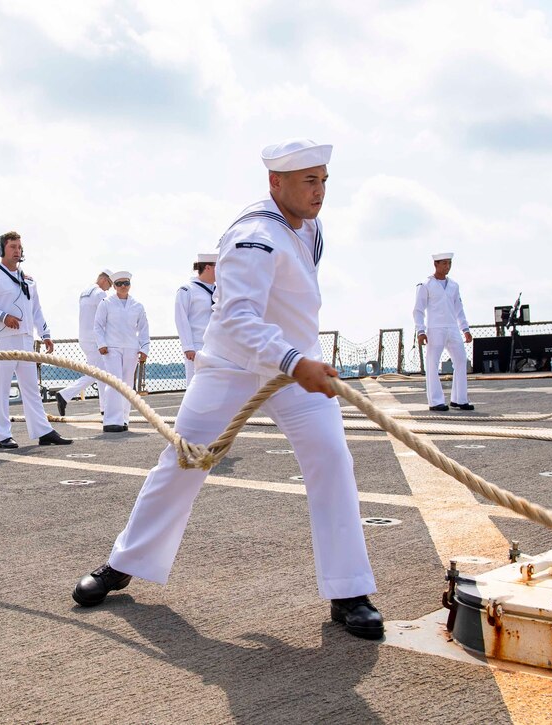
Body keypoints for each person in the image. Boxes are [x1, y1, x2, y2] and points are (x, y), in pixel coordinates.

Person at [71, 139, 385, 640]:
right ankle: (123, 563)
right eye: (310, 181)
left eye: (324, 180)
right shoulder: (253, 237)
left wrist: (296, 359)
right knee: (183, 461)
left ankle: (348, 591)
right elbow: (238, 318)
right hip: (235, 365)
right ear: (274, 183)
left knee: (332, 457)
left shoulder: (310, 226)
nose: (320, 191)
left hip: (293, 364)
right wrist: (294, 360)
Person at [0, 231, 71, 449]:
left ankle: (43, 431)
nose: (17, 251)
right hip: (3, 341)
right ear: (1, 250)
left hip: (26, 340)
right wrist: (3, 317)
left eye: (19, 247)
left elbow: (36, 310)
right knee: (2, 389)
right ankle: (2, 435)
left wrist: (45, 334)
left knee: (32, 389)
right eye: (12, 247)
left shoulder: (29, 279)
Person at [413, 253, 473, 411]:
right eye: (444, 263)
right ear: (436, 264)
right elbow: (418, 310)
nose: (447, 266)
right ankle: (435, 401)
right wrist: (420, 331)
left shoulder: (454, 285)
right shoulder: (425, 285)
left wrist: (465, 329)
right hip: (435, 328)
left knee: (461, 360)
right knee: (432, 364)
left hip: (452, 328)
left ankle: (460, 399)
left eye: (449, 263)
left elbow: (459, 309)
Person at [94, 271, 149, 433]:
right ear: (114, 286)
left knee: (127, 384)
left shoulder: (138, 305)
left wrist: (144, 348)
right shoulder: (106, 303)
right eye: (119, 284)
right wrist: (101, 343)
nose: (123, 286)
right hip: (111, 348)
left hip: (131, 348)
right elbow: (98, 325)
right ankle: (111, 420)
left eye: (126, 283)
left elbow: (144, 328)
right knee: (114, 382)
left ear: (130, 285)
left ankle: (124, 419)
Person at [55, 269, 112, 416]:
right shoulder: (100, 293)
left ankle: (104, 408)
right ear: (105, 280)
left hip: (84, 337)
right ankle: (66, 394)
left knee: (101, 372)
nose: (110, 288)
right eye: (110, 284)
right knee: (97, 373)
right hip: (96, 339)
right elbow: (106, 317)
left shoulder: (85, 291)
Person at [175, 252, 217, 384]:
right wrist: (188, 346)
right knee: (195, 385)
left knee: (215, 385)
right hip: (197, 345)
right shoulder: (187, 290)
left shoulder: (219, 290)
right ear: (208, 267)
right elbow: (181, 319)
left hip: (217, 345)